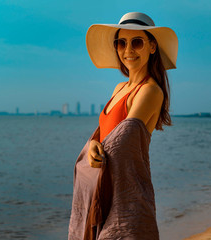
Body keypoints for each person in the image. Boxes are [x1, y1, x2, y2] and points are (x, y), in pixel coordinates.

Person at [68, 12, 178, 240]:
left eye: (137, 42)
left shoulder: (150, 91)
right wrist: (93, 146)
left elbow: (121, 142)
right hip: (104, 187)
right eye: (122, 43)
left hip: (126, 193)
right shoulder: (119, 88)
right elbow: (104, 136)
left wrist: (96, 149)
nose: (128, 50)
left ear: (152, 47)